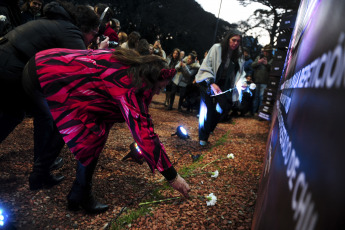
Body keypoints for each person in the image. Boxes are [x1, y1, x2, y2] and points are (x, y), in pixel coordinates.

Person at [22, 48, 191, 213]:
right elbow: (144, 133)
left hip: (44, 66)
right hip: (47, 76)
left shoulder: (131, 64)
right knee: (91, 136)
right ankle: (80, 194)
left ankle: (41, 176)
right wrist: (173, 177)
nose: (161, 91)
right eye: (160, 87)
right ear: (151, 78)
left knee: (70, 128)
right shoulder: (129, 84)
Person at [0, 0, 107, 190]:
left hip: (8, 60)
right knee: (36, 115)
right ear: (85, 29)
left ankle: (41, 167)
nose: (93, 39)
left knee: (33, 114)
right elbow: (84, 69)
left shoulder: (57, 23)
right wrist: (99, 52)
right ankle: (41, 169)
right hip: (11, 66)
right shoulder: (70, 31)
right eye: (94, 34)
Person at [195, 29, 246, 146]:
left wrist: (242, 83)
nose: (235, 43)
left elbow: (240, 73)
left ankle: (209, 128)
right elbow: (206, 66)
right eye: (233, 40)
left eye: (238, 41)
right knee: (207, 110)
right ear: (228, 39)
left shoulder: (239, 55)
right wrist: (211, 83)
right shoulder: (216, 48)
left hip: (223, 85)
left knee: (223, 107)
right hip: (207, 82)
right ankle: (203, 138)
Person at [251, 44, 273, 115]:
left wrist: (267, 64)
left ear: (269, 52)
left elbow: (273, 70)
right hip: (256, 81)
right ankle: (253, 112)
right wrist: (258, 62)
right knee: (255, 97)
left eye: (266, 51)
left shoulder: (272, 59)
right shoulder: (258, 57)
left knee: (262, 97)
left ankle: (260, 113)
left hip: (265, 81)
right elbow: (252, 65)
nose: (264, 53)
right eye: (264, 51)